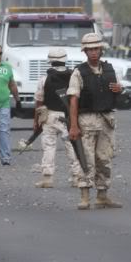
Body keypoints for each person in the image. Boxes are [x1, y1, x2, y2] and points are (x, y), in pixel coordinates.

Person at [68, 33, 123, 210]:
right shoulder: (79, 72)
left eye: (96, 49)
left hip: (106, 120)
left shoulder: (109, 69)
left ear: (101, 50)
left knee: (105, 158)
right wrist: (74, 125)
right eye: (90, 49)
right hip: (87, 120)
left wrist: (119, 89)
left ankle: (102, 195)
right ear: (85, 52)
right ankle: (84, 195)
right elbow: (73, 99)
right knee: (86, 159)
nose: (93, 52)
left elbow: (117, 89)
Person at [33, 48, 82, 188]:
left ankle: (47, 178)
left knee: (49, 147)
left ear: (50, 61)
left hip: (49, 116)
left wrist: (36, 120)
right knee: (72, 146)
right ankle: (76, 177)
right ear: (65, 59)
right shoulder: (74, 76)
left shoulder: (44, 78)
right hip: (69, 117)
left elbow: (38, 101)